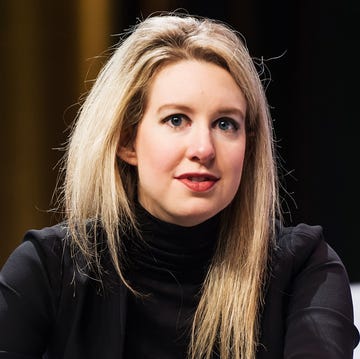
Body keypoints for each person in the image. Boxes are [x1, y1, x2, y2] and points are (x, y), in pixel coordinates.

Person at [0, 12, 359, 359]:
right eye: (176, 119)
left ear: (248, 146)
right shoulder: (48, 268)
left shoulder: (303, 268)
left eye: (225, 124)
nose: (203, 149)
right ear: (127, 141)